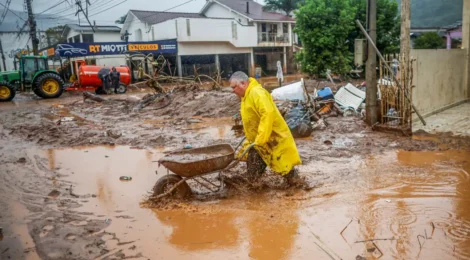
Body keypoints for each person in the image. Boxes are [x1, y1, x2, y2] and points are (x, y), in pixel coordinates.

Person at [230, 71, 302, 182]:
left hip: (272, 139)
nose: (232, 90)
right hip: (258, 142)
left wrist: (261, 138)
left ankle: (299, 189)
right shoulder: (246, 96)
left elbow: (267, 114)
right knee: (252, 178)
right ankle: (256, 192)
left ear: (243, 83)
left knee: (285, 168)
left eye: (234, 87)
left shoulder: (257, 93)